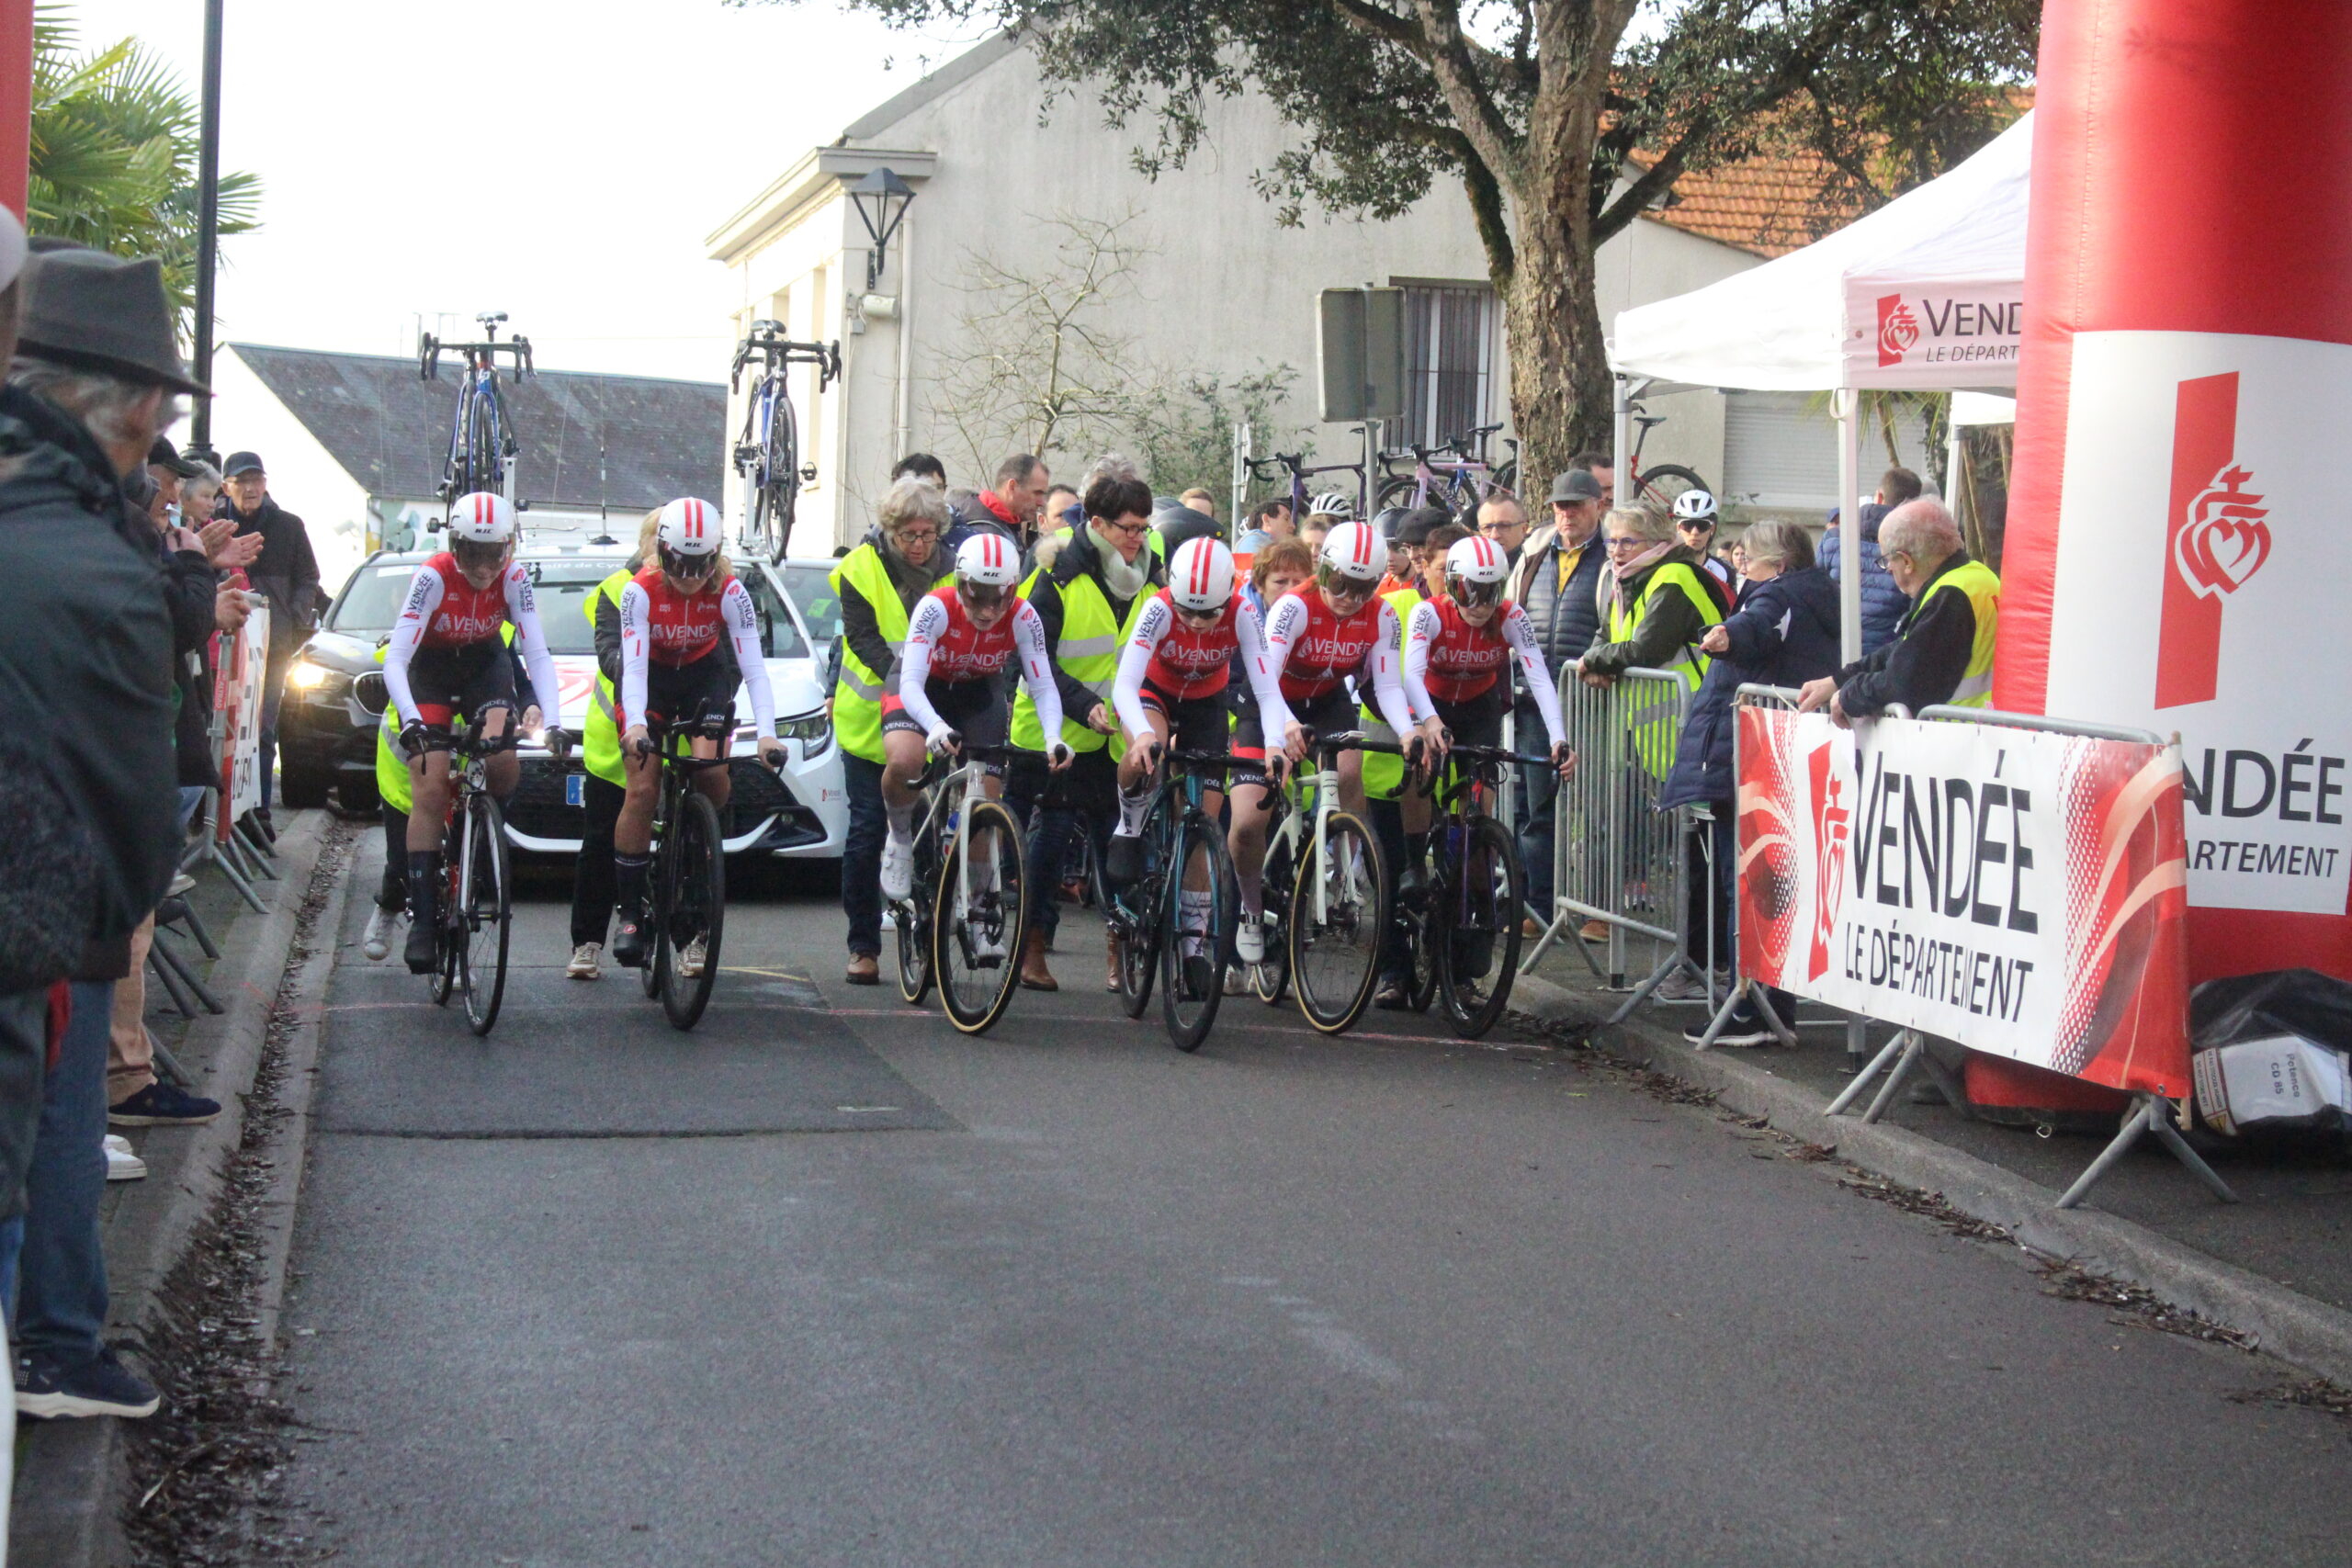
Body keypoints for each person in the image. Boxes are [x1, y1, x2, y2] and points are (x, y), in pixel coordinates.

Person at [1, 243, 194, 1423]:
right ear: (133, 411)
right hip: (36, 956)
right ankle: (58, 1347)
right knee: (59, 1124)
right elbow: (131, 836)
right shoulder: (101, 566)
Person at [1662, 520, 1838, 1032]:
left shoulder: (1779, 595)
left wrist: (1725, 636)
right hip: (1780, 754)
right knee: (1768, 883)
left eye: (1748, 559)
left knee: (1747, 884)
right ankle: (1764, 1003)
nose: (1741, 567)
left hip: (1754, 758)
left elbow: (1756, 627)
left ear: (1778, 564)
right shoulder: (1818, 595)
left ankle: (1754, 1008)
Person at [381, 491, 567, 973]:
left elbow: (537, 652)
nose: (484, 568)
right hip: (430, 669)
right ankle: (424, 920)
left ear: (509, 549)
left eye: (494, 555)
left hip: (484, 665)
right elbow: (396, 660)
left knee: (502, 762)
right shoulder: (433, 577)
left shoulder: (514, 579)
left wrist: (553, 718)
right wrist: (412, 720)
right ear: (454, 546)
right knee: (431, 782)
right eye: (471, 554)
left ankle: (475, 833)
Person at [1392, 534, 1577, 998]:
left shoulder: (1511, 616)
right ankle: (1414, 864)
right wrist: (1429, 723)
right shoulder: (1430, 613)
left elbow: (1539, 674)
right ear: (1452, 585)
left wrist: (1558, 737)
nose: (1478, 604)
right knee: (1420, 767)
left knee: (1480, 812)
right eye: (1468, 590)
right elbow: (1411, 674)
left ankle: (1474, 904)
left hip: (1479, 709)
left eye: (1489, 592)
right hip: (1431, 701)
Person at [1226, 523, 1417, 968]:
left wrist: (1409, 730)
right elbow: (1267, 679)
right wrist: (1286, 726)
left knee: (1349, 772)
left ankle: (1345, 875)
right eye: (1338, 583)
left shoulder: (1382, 616)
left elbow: (1387, 686)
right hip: (1270, 699)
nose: (1348, 597)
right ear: (1324, 570)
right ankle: (1250, 908)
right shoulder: (1294, 606)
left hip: (1326, 700)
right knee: (1248, 823)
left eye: (1362, 589)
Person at [1004, 467, 1162, 993]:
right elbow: (1034, 658)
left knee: (1118, 840)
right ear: (1096, 524)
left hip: (1115, 735)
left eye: (1143, 527)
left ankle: (1121, 946)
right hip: (1053, 730)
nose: (1137, 538)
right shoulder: (1055, 575)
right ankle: (1032, 946)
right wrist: (1083, 705)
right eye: (1127, 528)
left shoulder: (1151, 573)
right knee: (1049, 839)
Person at [610, 499, 786, 970]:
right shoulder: (639, 590)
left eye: (700, 565)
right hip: (650, 679)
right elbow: (633, 668)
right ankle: (630, 913)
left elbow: (754, 668)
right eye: (679, 564)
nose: (689, 577)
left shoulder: (731, 591)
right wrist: (637, 724)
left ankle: (694, 851)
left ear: (716, 557)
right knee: (642, 786)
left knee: (712, 775)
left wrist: (767, 735)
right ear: (662, 553)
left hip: (702, 676)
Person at [1106, 537, 1285, 995]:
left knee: (1204, 820)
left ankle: (1193, 946)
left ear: (1228, 597)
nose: (1197, 621)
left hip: (1207, 701)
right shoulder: (1159, 609)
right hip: (1153, 691)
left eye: (1209, 613)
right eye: (1188, 611)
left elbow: (1267, 690)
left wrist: (1275, 744)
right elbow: (1124, 684)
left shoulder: (1243, 612)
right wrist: (1142, 734)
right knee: (1147, 757)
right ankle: (1129, 823)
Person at [877, 534, 1071, 920]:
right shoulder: (935, 607)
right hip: (923, 688)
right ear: (959, 583)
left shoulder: (1024, 616)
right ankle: (899, 836)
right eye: (976, 596)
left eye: (998, 598)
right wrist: (934, 726)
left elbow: (1043, 685)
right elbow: (911, 683)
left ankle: (979, 904)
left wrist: (1053, 738)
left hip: (977, 693)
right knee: (905, 760)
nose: (986, 610)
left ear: (1012, 589)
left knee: (987, 797)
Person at [831, 479, 950, 985]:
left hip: (932, 719)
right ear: (890, 530)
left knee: (925, 831)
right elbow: (863, 639)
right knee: (865, 832)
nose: (919, 545)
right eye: (908, 535)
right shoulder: (860, 568)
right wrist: (907, 684)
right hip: (867, 722)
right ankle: (863, 944)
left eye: (928, 534)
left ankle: (926, 932)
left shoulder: (954, 571)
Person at [563, 508, 674, 979]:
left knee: (687, 840)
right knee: (600, 843)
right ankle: (587, 942)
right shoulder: (617, 588)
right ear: (646, 544)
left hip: (677, 734)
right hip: (617, 742)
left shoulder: (701, 588)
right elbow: (611, 652)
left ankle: (691, 936)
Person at [1506, 468, 1610, 937]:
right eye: (1560, 506)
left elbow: (1617, 620)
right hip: (1535, 698)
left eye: (1576, 505)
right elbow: (1512, 610)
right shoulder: (1534, 552)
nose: (1567, 514)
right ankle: (1538, 908)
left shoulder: (1612, 554)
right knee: (1536, 809)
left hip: (1592, 700)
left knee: (1597, 808)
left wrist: (1601, 661)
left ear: (1597, 506)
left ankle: (1599, 912)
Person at [1797, 497, 1996, 725]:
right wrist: (1839, 680)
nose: (1888, 569)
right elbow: (1904, 648)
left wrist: (1849, 695)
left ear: (1906, 561)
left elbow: (1904, 682)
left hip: (1957, 735)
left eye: (1886, 560)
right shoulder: (1979, 577)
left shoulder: (1949, 596)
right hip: (1981, 731)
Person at [217, 449, 322, 826]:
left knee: (262, 728)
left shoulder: (289, 526)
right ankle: (220, 815)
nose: (251, 489)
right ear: (226, 487)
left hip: (272, 648)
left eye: (256, 481)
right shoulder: (215, 526)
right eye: (242, 482)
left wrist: (292, 618)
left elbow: (309, 577)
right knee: (222, 729)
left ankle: (258, 814)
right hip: (223, 645)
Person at [1816, 466, 1919, 656]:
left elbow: (1816, 592)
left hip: (1833, 652)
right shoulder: (1914, 547)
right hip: (1883, 656)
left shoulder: (1833, 538)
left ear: (1879, 496)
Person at [945, 452, 1051, 562]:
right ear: (1012, 487)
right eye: (1037, 493)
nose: (1042, 502)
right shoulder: (986, 534)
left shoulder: (1007, 524)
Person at [1673, 491, 1734, 591]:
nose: (1694, 532)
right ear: (1678, 528)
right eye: (1687, 525)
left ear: (1712, 529)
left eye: (1702, 525)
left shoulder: (1725, 571)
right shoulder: (1663, 566)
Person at [1476, 493, 1531, 566]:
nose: (1494, 535)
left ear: (1523, 529)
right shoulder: (1468, 565)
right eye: (1487, 527)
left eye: (1503, 526)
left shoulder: (1538, 566)